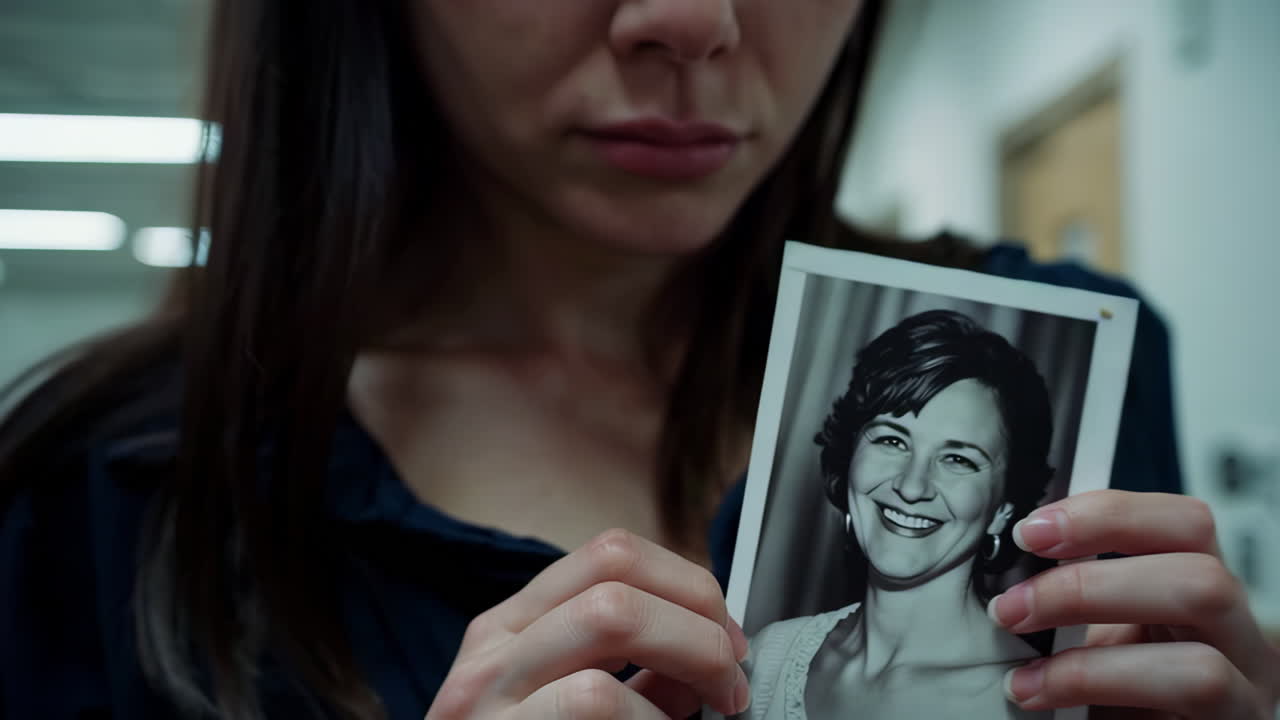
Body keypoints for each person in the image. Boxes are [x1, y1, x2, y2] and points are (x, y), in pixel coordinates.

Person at [0, 0, 1276, 719]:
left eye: (957, 462)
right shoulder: (91, 499)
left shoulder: (1076, 361)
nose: (692, 21)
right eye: (892, 442)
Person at [742, 310, 1058, 719]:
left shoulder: (1035, 703)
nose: (911, 487)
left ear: (1003, 509)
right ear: (850, 453)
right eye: (893, 439)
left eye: (958, 459)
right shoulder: (768, 657)